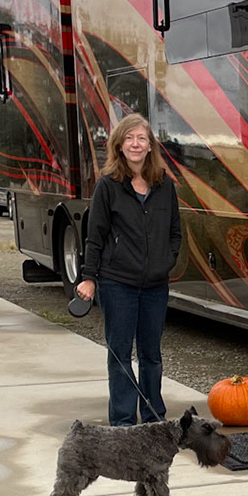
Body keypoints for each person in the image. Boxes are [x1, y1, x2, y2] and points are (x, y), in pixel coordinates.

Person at [77, 115, 181, 426]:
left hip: (155, 286)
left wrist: (167, 260)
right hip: (117, 283)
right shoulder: (108, 186)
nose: (136, 144)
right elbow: (94, 236)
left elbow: (175, 232)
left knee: (152, 355)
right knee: (120, 355)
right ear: (120, 146)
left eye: (142, 138)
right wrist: (89, 278)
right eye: (130, 138)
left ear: (150, 146)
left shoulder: (165, 186)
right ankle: (123, 422)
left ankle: (153, 418)